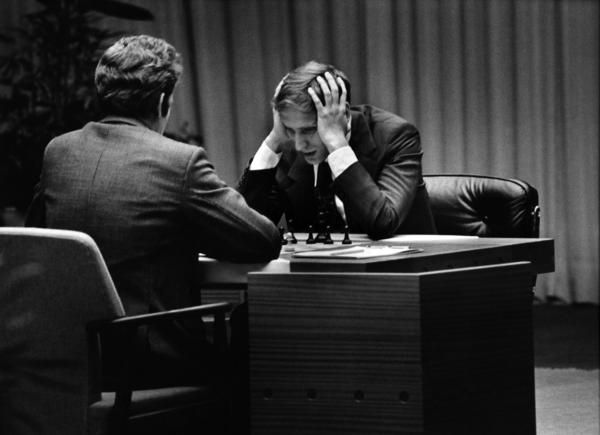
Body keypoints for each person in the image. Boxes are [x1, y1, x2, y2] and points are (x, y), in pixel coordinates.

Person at [25, 35, 281, 389]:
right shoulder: (179, 161)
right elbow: (263, 240)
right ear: (163, 100)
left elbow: (38, 235)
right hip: (152, 365)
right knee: (249, 338)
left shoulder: (59, 152)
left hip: (73, 359)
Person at [237, 60, 436, 239]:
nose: (299, 144)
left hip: (402, 272)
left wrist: (336, 144)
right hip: (320, 276)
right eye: (290, 129)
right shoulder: (290, 145)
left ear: (344, 114)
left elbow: (383, 223)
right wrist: (275, 139)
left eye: (309, 130)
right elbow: (243, 228)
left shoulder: (395, 137)